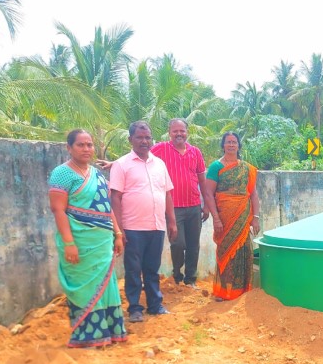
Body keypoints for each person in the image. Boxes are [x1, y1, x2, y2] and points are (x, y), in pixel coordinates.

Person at [48, 129, 127, 347]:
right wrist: (69, 243)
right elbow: (58, 210)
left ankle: (109, 332)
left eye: (89, 145)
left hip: (102, 243)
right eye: (81, 145)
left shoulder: (97, 174)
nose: (86, 149)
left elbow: (106, 207)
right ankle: (87, 336)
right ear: (69, 148)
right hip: (79, 243)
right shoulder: (62, 174)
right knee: (84, 287)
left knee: (106, 285)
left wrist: (117, 234)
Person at [110, 121, 177, 323]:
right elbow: (115, 197)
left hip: (157, 226)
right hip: (132, 227)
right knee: (133, 270)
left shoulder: (160, 164)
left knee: (152, 268)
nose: (144, 141)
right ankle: (135, 308)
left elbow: (167, 195)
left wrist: (172, 222)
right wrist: (119, 230)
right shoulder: (121, 164)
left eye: (147, 137)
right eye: (139, 137)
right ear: (130, 139)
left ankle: (155, 305)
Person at [151, 119, 209, 288]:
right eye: (175, 131)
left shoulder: (195, 152)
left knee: (193, 245)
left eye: (182, 131)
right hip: (172, 208)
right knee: (177, 243)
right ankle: (177, 274)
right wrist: (115, 164)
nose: (179, 134)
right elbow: (141, 156)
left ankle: (190, 279)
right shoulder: (161, 149)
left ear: (187, 132)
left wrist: (205, 204)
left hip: (194, 205)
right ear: (169, 133)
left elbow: (202, 180)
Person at [203, 131, 260, 301]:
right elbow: (208, 194)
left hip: (243, 216)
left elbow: (253, 194)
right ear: (223, 145)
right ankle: (223, 291)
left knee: (244, 250)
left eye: (234, 142)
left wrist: (255, 217)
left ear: (238, 145)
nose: (231, 145)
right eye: (228, 142)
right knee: (225, 251)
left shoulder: (246, 169)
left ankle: (241, 289)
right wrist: (216, 218)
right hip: (224, 217)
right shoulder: (216, 167)